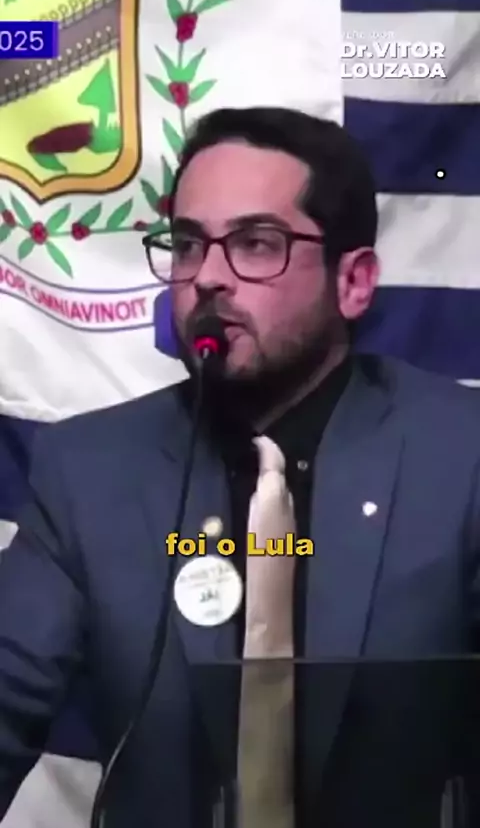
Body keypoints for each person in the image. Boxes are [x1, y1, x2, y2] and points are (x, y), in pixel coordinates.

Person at [0, 106, 479, 828]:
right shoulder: (89, 472)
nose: (208, 278)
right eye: (189, 245)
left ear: (353, 281)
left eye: (256, 244)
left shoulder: (462, 456)